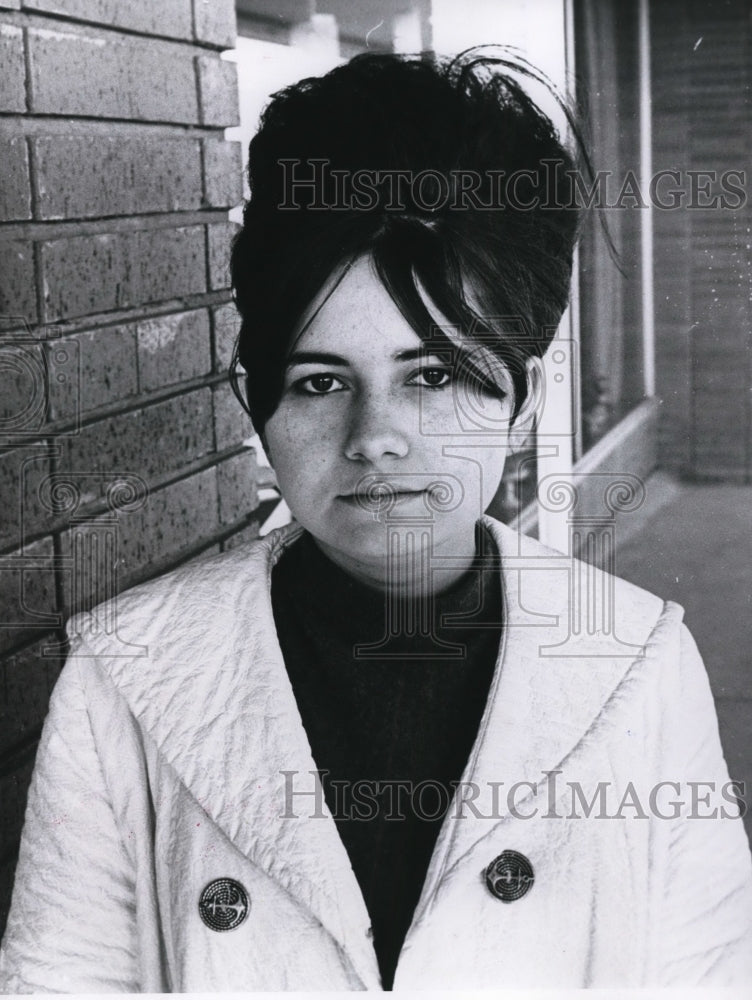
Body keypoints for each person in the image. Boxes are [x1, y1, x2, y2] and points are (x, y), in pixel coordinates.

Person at [1, 49, 751, 992]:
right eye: (320, 382)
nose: (375, 438)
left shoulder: (637, 663)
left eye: (432, 375)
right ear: (253, 400)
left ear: (525, 397)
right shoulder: (127, 675)